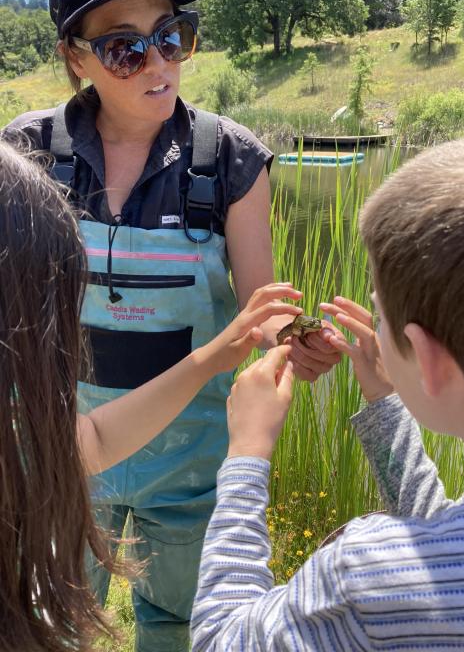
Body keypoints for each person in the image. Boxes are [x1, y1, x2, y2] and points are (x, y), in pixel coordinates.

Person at [2, 0, 340, 648]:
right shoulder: (23, 154)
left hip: (192, 465)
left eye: (172, 36)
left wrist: (293, 341)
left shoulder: (232, 159)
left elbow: (259, 308)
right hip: (60, 455)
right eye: (126, 49)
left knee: (181, 626)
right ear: (74, 57)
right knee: (45, 625)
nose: (158, 65)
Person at [191, 131, 464, 650]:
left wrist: (246, 455)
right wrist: (384, 397)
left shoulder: (368, 577)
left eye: (380, 314)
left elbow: (222, 638)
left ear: (428, 362)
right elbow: (446, 534)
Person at [0, 137, 305, 652]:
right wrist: (251, 455)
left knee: (171, 615)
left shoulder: (228, 158)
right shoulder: (31, 144)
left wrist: (218, 355)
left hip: (186, 456)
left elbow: (87, 441)